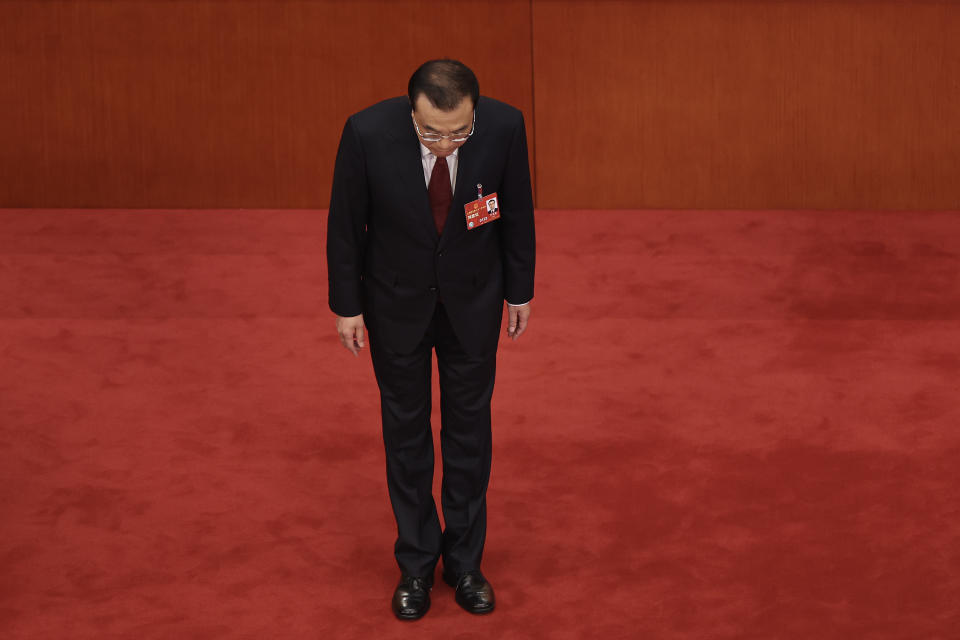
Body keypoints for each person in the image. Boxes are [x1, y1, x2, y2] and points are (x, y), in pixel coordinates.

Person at [326, 58, 535, 620]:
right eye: (431, 132)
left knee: (469, 434)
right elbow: (346, 224)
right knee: (406, 434)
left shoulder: (506, 126)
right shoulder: (366, 132)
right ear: (410, 110)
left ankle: (465, 562)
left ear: (475, 112)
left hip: (473, 302)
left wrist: (519, 290)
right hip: (395, 305)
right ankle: (417, 562)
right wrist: (347, 306)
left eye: (459, 132)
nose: (446, 144)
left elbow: (516, 212)